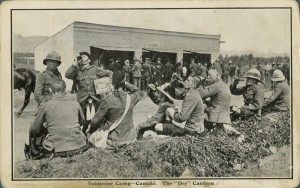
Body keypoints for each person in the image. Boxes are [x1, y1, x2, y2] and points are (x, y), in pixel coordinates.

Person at [25, 80, 88, 160]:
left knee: (30, 127)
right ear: (65, 90)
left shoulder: (45, 106)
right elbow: (82, 122)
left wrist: (46, 128)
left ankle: (30, 154)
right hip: (79, 145)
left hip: (56, 149)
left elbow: (34, 129)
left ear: (50, 90)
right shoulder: (75, 103)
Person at [87, 71, 143, 145]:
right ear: (124, 81)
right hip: (131, 138)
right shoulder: (130, 98)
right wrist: (124, 83)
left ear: (112, 82)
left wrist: (90, 131)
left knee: (89, 133)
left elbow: (95, 122)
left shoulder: (108, 100)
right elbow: (139, 91)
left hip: (115, 140)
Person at [65, 52, 113, 133]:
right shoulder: (77, 70)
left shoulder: (95, 69)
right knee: (81, 119)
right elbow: (67, 75)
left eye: (84, 56)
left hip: (95, 97)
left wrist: (108, 85)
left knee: (98, 118)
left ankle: (95, 132)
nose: (82, 58)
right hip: (82, 98)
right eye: (80, 57)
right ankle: (82, 132)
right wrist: (74, 64)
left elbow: (109, 73)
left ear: (89, 60)